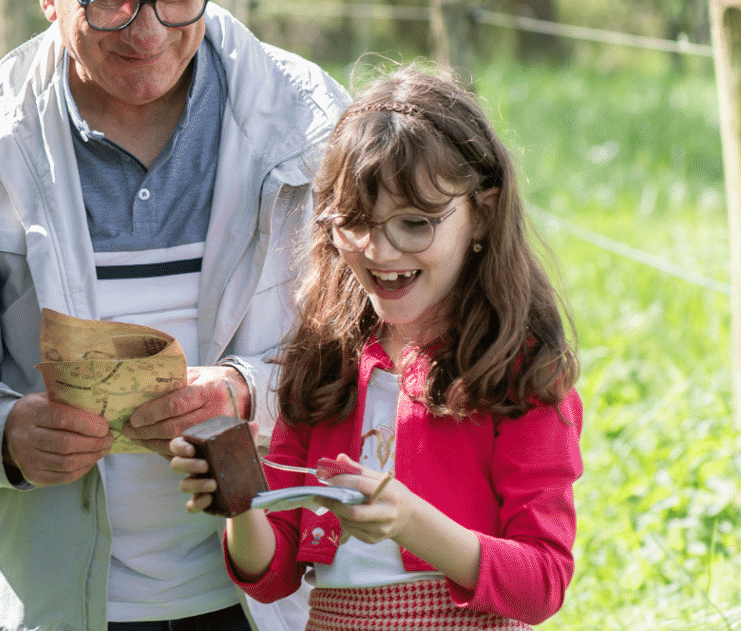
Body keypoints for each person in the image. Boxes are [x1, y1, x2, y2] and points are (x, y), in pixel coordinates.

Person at [0, 0, 349, 631]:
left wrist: (240, 392)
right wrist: (5, 435)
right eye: (110, 0)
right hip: (62, 603)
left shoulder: (311, 123)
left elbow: (377, 362)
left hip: (273, 595)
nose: (148, 30)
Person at [171, 68, 583, 629]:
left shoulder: (517, 372)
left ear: (481, 215)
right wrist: (241, 503)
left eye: (415, 223)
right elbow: (274, 576)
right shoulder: (327, 362)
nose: (379, 250)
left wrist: (411, 522)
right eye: (356, 222)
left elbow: (541, 583)